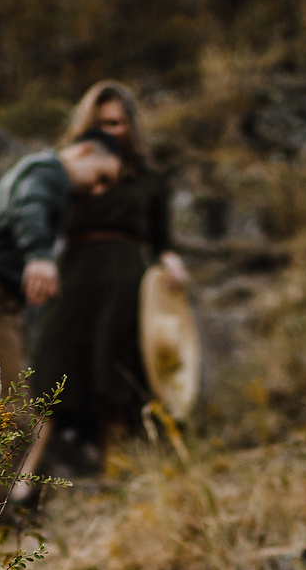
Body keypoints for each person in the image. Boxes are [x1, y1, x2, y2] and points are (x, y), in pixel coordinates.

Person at [22, 81, 188, 479]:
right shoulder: (73, 169)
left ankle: (111, 470)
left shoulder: (151, 178)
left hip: (125, 277)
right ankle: (23, 479)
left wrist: (172, 262)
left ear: (131, 124)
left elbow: (162, 240)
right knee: (53, 367)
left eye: (117, 122)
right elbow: (38, 212)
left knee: (113, 369)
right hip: (75, 274)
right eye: (102, 123)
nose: (111, 130)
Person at [0, 127, 129, 405]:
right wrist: (39, 255)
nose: (98, 190)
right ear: (85, 151)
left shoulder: (37, 174)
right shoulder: (46, 172)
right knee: (9, 421)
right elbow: (29, 203)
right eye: (102, 178)